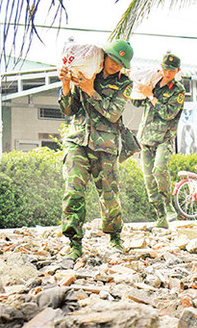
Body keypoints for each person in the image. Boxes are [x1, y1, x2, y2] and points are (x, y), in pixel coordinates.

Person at [58, 40, 134, 259]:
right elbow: (69, 109)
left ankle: (115, 239)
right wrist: (66, 85)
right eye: (114, 59)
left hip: (105, 146)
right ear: (105, 55)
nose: (116, 65)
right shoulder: (85, 70)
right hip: (78, 141)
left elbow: (113, 113)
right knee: (73, 192)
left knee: (109, 196)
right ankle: (74, 243)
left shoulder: (124, 85)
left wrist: (90, 90)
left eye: (121, 63)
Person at [132, 52, 185, 229]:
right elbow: (137, 103)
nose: (168, 73)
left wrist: (151, 96)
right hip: (146, 138)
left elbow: (168, 113)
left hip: (164, 138)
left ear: (177, 70)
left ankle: (168, 204)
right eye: (165, 69)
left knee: (159, 170)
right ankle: (160, 215)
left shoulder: (178, 90)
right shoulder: (152, 83)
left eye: (172, 70)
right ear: (160, 68)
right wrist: (140, 88)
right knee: (148, 180)